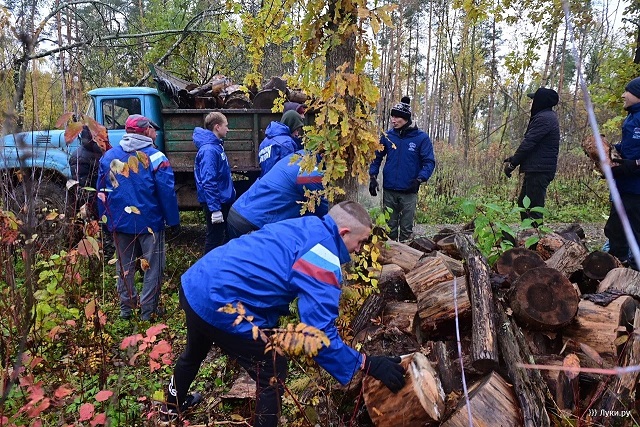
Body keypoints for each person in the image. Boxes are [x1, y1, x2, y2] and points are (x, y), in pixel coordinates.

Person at [161, 201, 406, 426]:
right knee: (272, 369)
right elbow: (317, 336)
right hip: (220, 301)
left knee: (194, 351)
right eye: (360, 242)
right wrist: (366, 363)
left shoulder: (308, 224)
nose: (359, 249)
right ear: (343, 234)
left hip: (198, 282)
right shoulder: (323, 257)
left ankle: (171, 406)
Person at [97, 114, 180, 320]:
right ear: (145, 132)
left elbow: (101, 192)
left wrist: (106, 219)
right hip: (150, 223)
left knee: (124, 267)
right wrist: (173, 221)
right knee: (153, 268)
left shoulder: (109, 157)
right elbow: (166, 193)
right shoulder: (156, 158)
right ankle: (147, 311)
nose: (154, 131)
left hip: (119, 222)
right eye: (151, 128)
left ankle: (126, 310)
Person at [369, 96, 436, 241]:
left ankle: (407, 258)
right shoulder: (387, 136)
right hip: (389, 191)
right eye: (392, 116)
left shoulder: (421, 138)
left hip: (409, 191)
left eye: (397, 117)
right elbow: (377, 157)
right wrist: (373, 177)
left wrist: (420, 179)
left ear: (406, 118)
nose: (393, 120)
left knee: (406, 231)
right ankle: (390, 260)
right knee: (389, 229)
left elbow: (429, 162)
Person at [227, 150, 328, 239]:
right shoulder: (309, 173)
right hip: (254, 222)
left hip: (241, 211)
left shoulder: (299, 156)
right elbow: (327, 209)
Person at [503, 87, 560, 223]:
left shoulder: (544, 119)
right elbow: (534, 146)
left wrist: (512, 164)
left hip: (539, 171)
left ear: (540, 101)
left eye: (533, 99)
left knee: (533, 210)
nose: (531, 102)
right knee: (524, 205)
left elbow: (529, 143)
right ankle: (529, 238)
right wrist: (514, 158)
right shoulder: (546, 117)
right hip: (537, 169)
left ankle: (536, 241)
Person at [604, 77, 640, 269]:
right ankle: (617, 268)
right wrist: (611, 152)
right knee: (614, 230)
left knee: (635, 232)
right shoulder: (632, 118)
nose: (623, 95)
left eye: (628, 91)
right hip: (623, 186)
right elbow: (630, 147)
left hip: (637, 190)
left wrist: (633, 164)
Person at [193, 112, 236, 254]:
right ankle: (207, 273)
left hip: (221, 200)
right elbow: (209, 181)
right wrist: (215, 209)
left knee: (221, 237)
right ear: (217, 127)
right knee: (215, 238)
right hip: (217, 202)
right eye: (226, 125)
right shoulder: (209, 150)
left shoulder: (216, 146)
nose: (228, 129)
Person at [69, 125, 108, 219]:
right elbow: (84, 190)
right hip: (94, 204)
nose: (105, 138)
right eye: (102, 136)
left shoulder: (101, 152)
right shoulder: (79, 158)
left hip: (104, 199)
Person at [258, 110, 304, 176]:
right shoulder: (286, 143)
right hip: (280, 184)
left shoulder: (263, 143)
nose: (297, 134)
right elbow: (290, 170)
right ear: (291, 125)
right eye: (296, 130)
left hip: (265, 182)